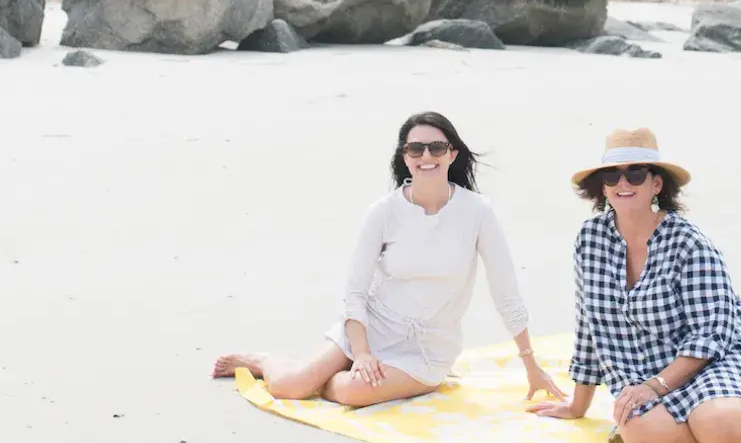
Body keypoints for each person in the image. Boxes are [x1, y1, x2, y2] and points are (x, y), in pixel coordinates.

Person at [527, 127, 741, 443]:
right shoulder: (590, 240)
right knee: (642, 440)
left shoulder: (689, 243)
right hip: (646, 372)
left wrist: (655, 386)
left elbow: (710, 335)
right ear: (602, 186)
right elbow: (589, 325)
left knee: (716, 424)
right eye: (612, 175)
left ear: (656, 184)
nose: (622, 183)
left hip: (715, 359)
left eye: (636, 173)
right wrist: (577, 404)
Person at [213, 111, 566, 408]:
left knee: (352, 391)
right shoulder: (383, 212)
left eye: (437, 147)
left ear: (452, 155)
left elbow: (506, 293)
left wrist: (531, 365)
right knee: (289, 387)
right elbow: (355, 291)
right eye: (416, 148)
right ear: (405, 156)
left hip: (426, 350)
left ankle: (331, 375)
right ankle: (264, 361)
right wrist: (363, 353)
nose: (426, 156)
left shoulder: (477, 212)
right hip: (373, 327)